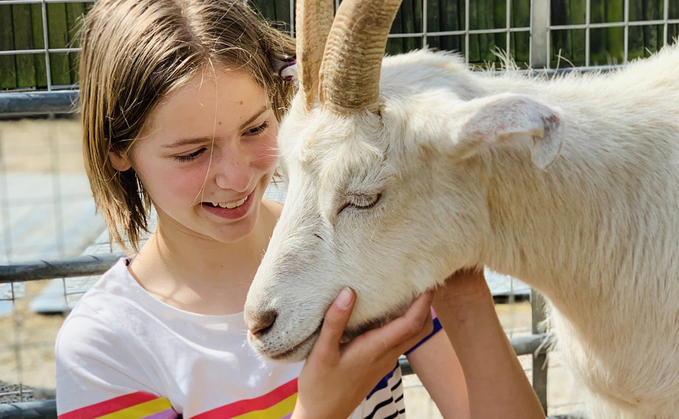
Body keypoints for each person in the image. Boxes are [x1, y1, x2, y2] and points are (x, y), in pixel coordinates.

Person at [55, 0, 544, 418]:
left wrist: (463, 288)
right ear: (117, 149)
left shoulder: (367, 240)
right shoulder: (105, 349)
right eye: (192, 152)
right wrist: (319, 410)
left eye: (254, 129)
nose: (237, 175)